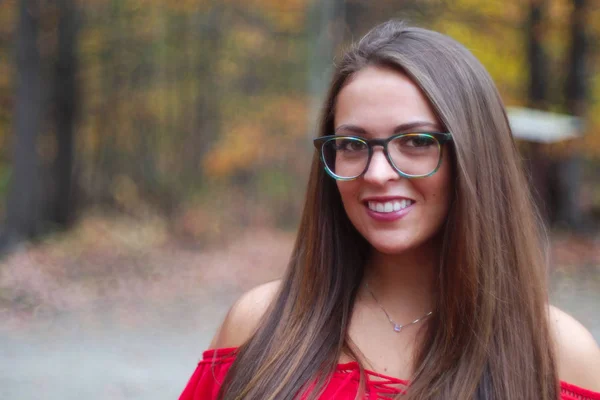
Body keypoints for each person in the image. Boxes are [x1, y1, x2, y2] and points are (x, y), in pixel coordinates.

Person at [179, 20, 600, 399]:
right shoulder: (260, 326)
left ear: (475, 157)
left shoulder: (557, 356)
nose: (377, 173)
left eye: (416, 141)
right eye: (351, 144)